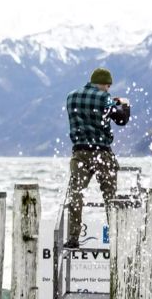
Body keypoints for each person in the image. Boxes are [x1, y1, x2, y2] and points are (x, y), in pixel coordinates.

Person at [64, 67, 130, 248]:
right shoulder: (104, 98)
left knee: (76, 194)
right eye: (108, 86)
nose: (108, 90)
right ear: (104, 84)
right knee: (110, 197)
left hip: (79, 153)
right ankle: (115, 237)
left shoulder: (71, 97)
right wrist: (125, 104)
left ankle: (73, 238)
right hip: (102, 153)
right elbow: (121, 120)